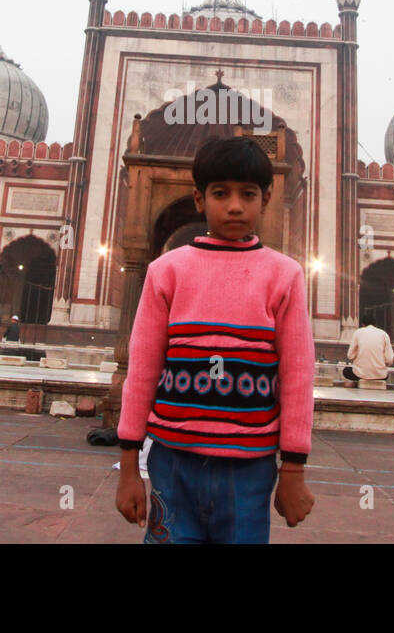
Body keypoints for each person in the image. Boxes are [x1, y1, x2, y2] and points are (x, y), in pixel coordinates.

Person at [115, 135, 315, 543]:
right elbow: (142, 371)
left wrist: (293, 469)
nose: (236, 205)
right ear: (199, 199)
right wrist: (128, 467)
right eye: (221, 193)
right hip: (173, 460)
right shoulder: (167, 271)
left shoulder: (284, 275)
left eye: (249, 194)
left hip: (251, 465)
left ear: (267, 198)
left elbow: (297, 376)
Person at [343, 311, 394, 384]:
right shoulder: (384, 334)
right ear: (375, 324)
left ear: (362, 324)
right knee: (386, 373)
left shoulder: (358, 332)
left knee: (346, 371)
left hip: (360, 374)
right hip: (380, 375)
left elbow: (350, 356)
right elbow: (389, 359)